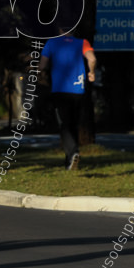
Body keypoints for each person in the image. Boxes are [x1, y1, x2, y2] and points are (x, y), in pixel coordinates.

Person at [38, 31, 96, 170]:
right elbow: (92, 59)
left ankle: (74, 152)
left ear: (59, 30)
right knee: (73, 124)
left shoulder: (51, 43)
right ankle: (69, 161)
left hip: (60, 89)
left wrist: (39, 73)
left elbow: (43, 65)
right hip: (78, 91)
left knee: (64, 124)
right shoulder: (83, 42)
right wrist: (91, 72)